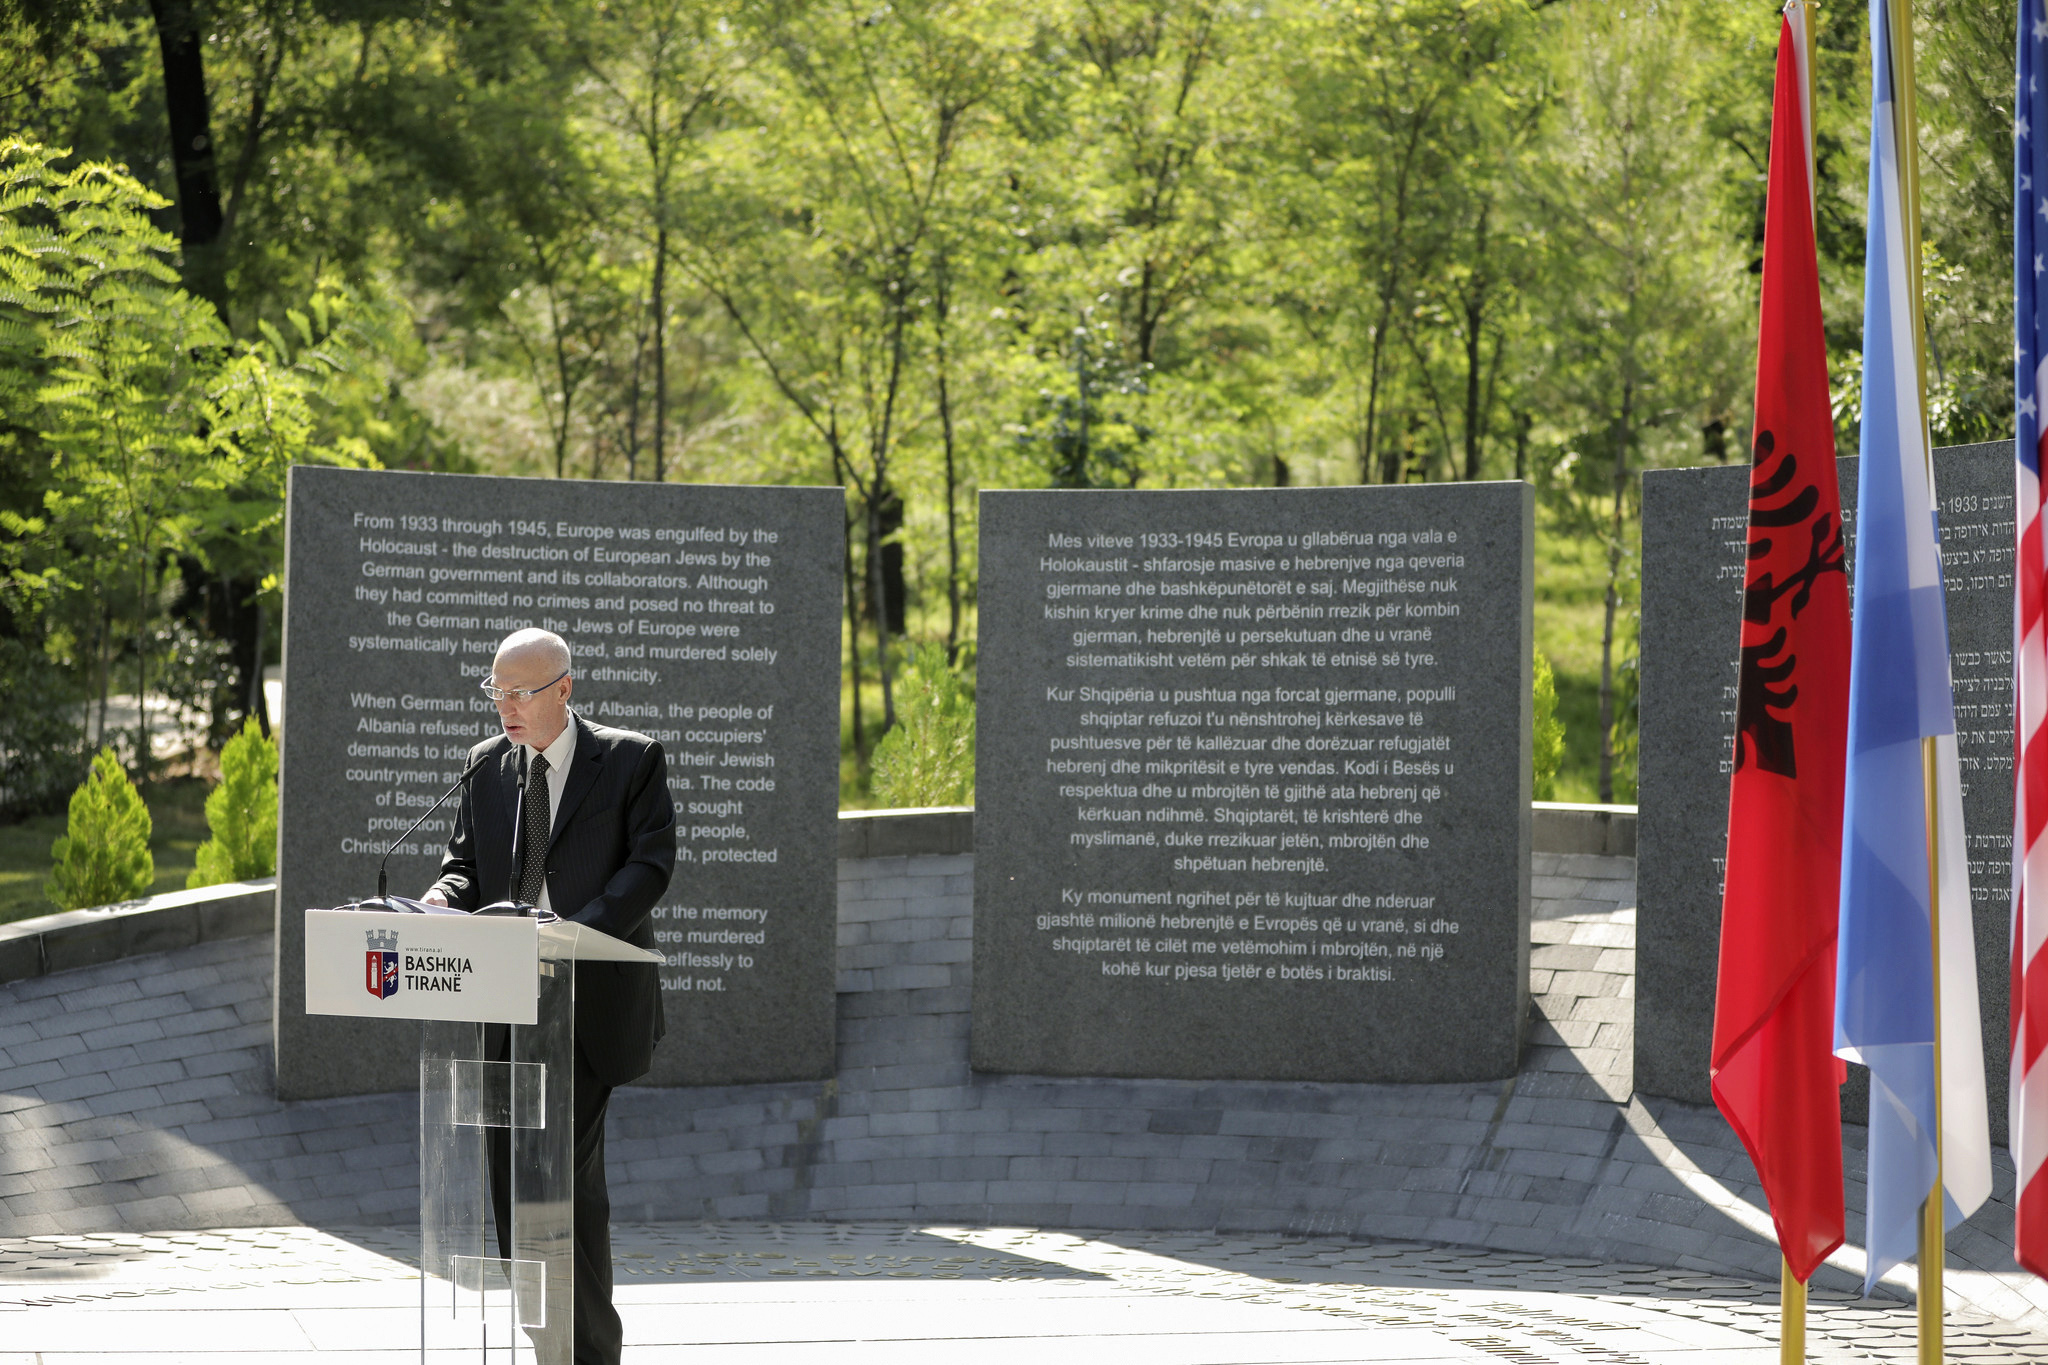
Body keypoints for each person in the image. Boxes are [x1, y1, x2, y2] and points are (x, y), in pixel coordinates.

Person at [423, 627, 675, 1365]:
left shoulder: (630, 760)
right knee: (515, 1189)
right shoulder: (484, 767)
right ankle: (554, 1345)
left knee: (559, 1181)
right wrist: (440, 896)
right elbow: (465, 866)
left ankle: (587, 1352)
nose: (504, 705)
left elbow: (651, 864)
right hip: (505, 1006)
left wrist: (572, 932)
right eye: (495, 690)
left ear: (563, 689)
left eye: (519, 691)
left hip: (588, 1003)